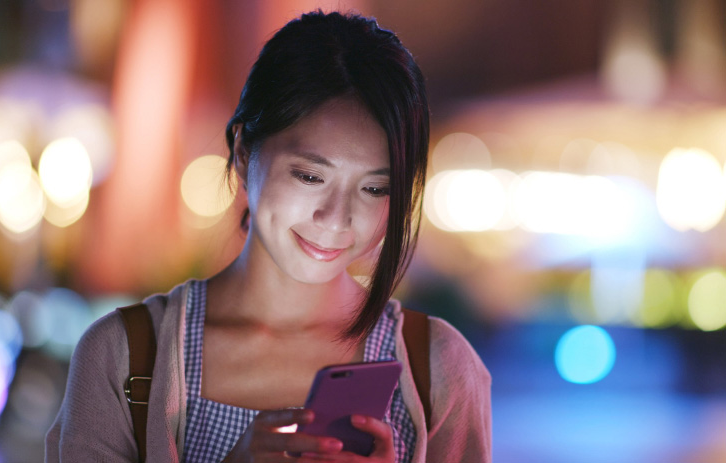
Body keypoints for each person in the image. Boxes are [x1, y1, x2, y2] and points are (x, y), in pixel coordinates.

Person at [45, 10, 491, 463]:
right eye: (310, 176)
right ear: (242, 152)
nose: (337, 217)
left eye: (375, 188)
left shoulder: (438, 370)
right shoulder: (124, 357)